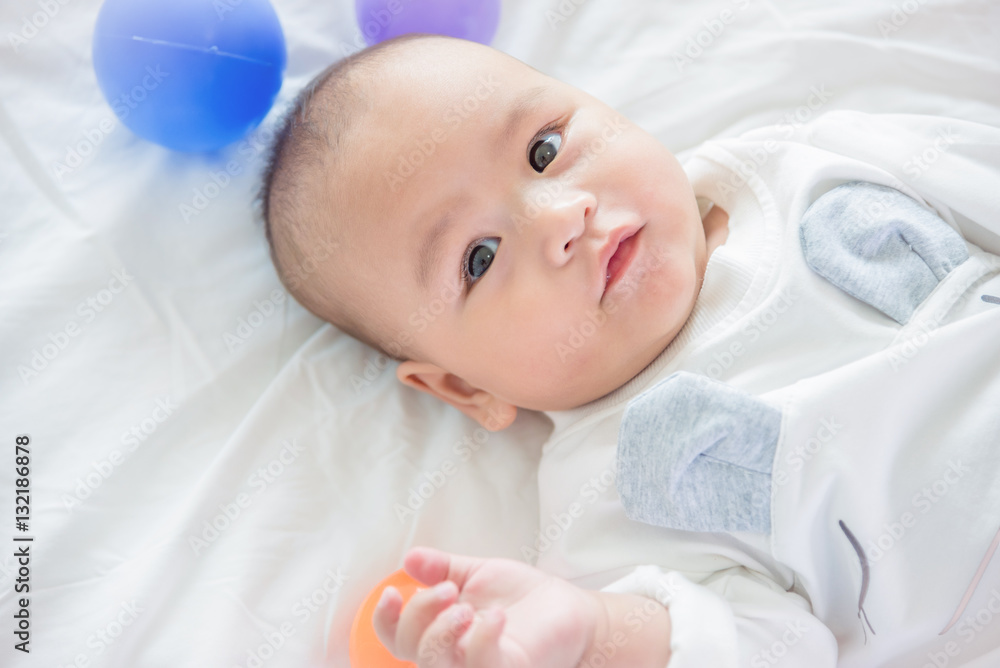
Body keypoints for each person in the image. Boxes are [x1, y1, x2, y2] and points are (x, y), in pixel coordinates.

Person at [259, 33, 1000, 667]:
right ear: (463, 388)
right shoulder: (610, 499)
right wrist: (598, 635)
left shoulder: (810, 163)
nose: (560, 217)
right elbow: (772, 647)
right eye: (479, 258)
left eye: (544, 150)